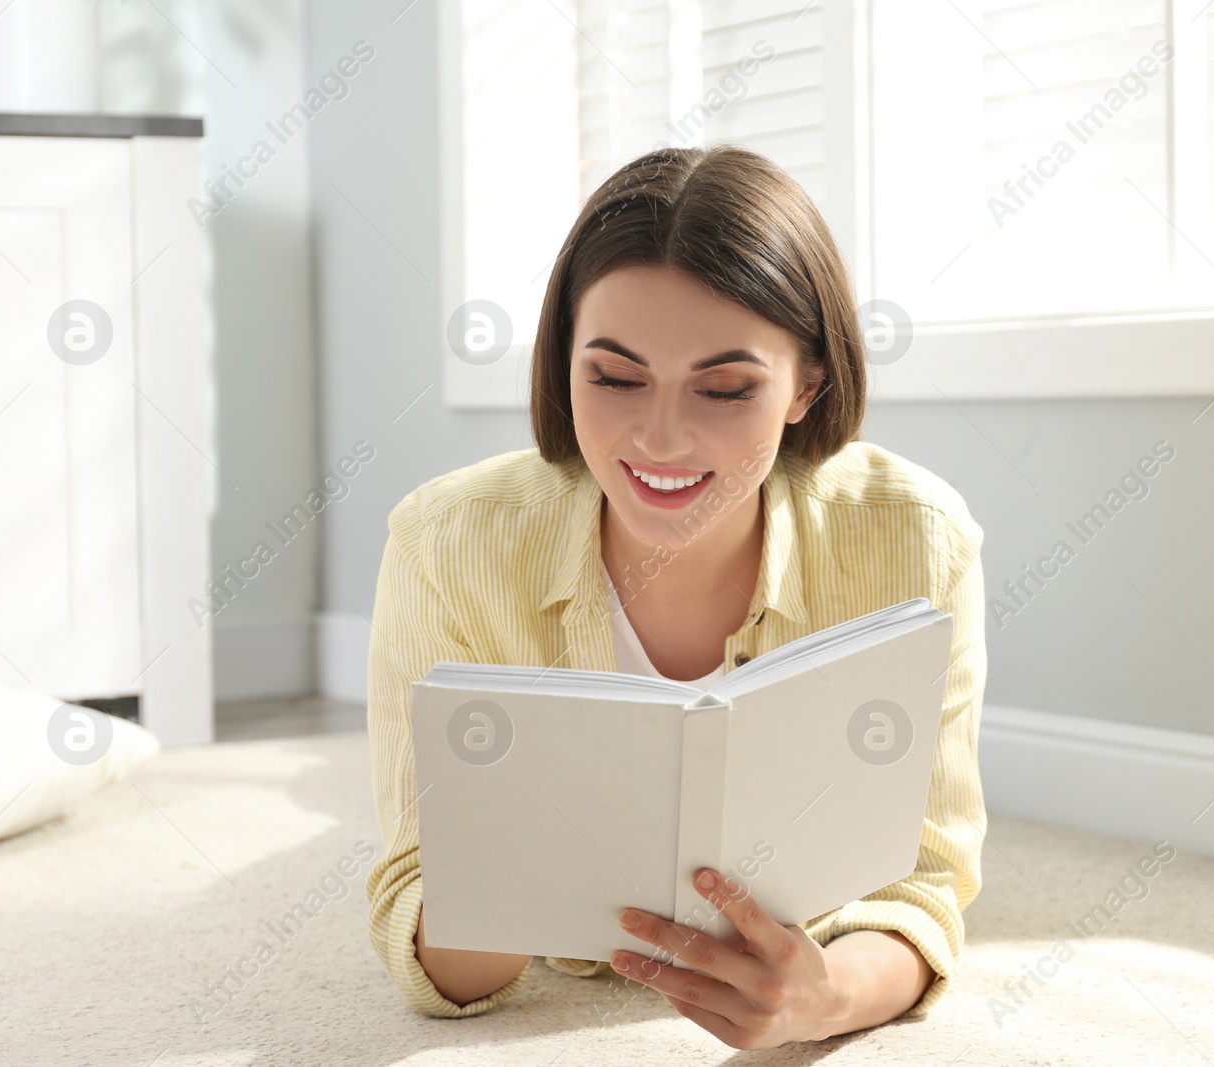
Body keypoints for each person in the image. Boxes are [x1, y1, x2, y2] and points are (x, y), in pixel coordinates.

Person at [364, 144, 988, 1048]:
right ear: (561, 362)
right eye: (613, 377)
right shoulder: (445, 544)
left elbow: (922, 883)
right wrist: (500, 872)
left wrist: (825, 996)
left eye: (726, 388)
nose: (660, 439)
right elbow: (420, 922)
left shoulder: (917, 540)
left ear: (807, 384)